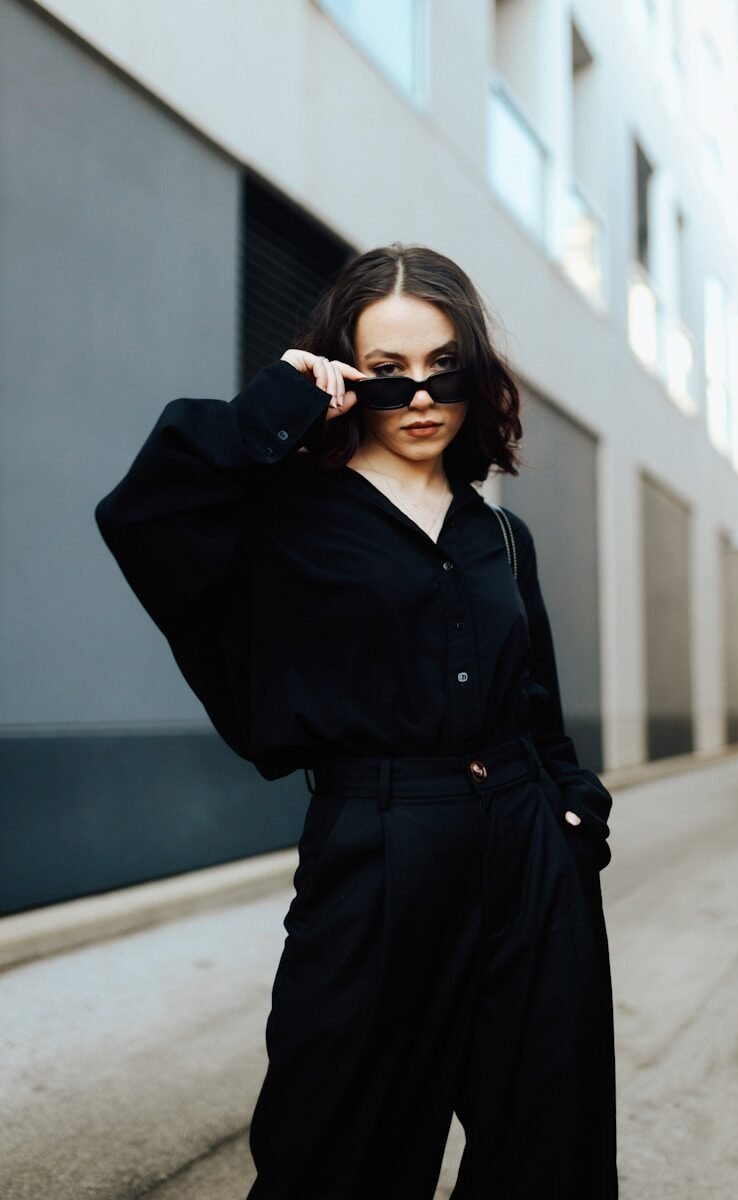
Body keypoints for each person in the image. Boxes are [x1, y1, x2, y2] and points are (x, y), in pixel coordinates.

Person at [95, 242, 618, 1199]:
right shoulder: (287, 514)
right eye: (387, 373)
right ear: (347, 373)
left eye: (443, 368)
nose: (420, 397)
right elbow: (143, 516)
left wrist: (575, 807)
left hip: (531, 851)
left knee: (546, 1146)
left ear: (475, 375)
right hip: (376, 849)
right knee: (335, 1145)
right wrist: (274, 410)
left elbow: (534, 703)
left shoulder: (502, 533)